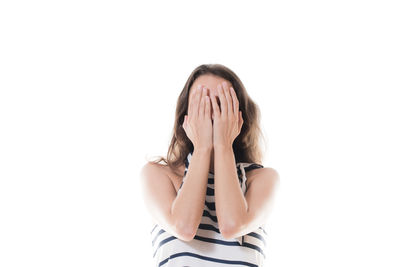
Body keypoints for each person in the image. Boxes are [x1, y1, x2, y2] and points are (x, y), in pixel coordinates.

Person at [140, 64, 280, 266]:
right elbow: (184, 227)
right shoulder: (158, 175)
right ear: (186, 116)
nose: (211, 113)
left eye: (222, 103)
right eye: (201, 104)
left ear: (239, 115)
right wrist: (203, 147)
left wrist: (223, 145)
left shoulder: (262, 179)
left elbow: (232, 225)